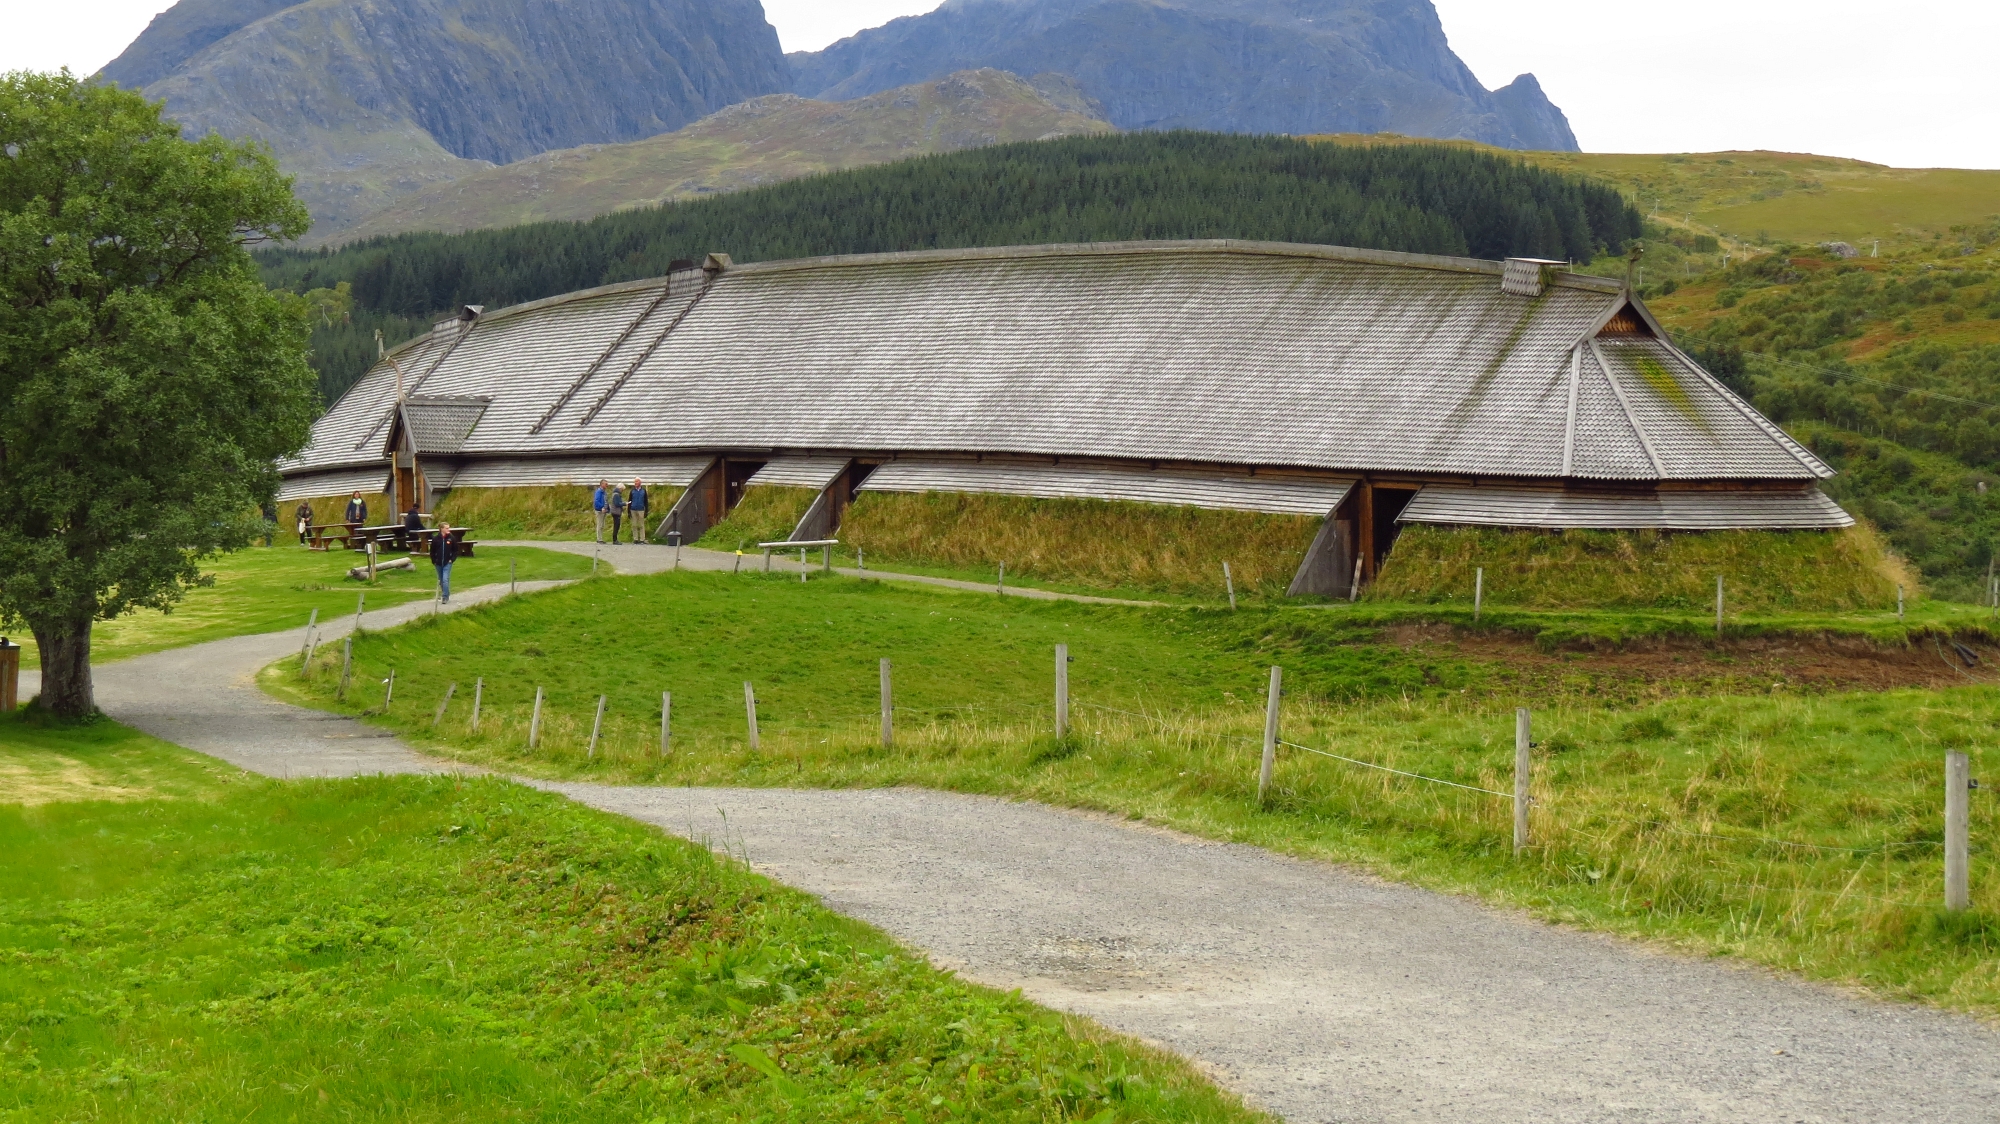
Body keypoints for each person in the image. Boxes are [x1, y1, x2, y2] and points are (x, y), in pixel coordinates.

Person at [429, 521, 460, 604]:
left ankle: (445, 597)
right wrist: (434, 561)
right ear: (441, 529)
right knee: (441, 579)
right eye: (446, 528)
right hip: (438, 563)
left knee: (445, 579)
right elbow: (432, 551)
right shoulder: (436, 539)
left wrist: (451, 559)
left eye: (448, 528)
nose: (448, 529)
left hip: (447, 562)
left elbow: (455, 550)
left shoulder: (451, 538)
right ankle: (446, 593)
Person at [628, 478, 649, 544]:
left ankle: (642, 539)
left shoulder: (643, 491)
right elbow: (629, 501)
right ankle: (635, 539)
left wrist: (646, 511)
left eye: (636, 481)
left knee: (641, 525)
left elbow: (646, 501)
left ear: (640, 482)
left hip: (641, 509)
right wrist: (628, 511)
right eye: (635, 482)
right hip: (633, 509)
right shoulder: (632, 491)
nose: (635, 483)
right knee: (634, 524)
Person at [592, 479, 609, 544]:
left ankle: (601, 538)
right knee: (599, 524)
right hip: (599, 510)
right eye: (605, 484)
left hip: (604, 510)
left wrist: (607, 507)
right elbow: (596, 501)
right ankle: (599, 539)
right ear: (602, 484)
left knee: (602, 525)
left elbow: (606, 500)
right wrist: (601, 507)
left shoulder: (604, 492)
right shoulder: (598, 492)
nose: (607, 485)